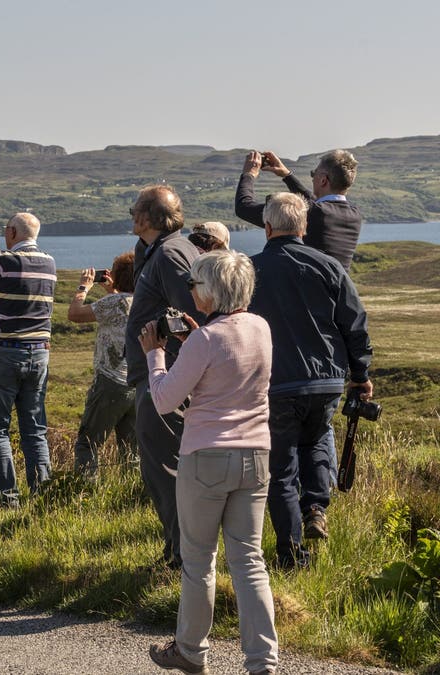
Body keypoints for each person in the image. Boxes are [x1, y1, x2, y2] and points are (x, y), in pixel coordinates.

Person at [140, 249, 278, 675]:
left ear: (212, 291)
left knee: (199, 560)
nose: (191, 291)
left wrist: (155, 354)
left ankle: (191, 650)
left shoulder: (205, 339)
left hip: (206, 456)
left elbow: (165, 400)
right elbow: (229, 361)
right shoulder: (260, 327)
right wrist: (194, 342)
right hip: (255, 454)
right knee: (248, 559)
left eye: (195, 284)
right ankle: (262, 660)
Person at [249, 192, 374, 570]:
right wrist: (360, 375)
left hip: (277, 382)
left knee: (281, 471)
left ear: (267, 227)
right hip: (326, 382)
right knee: (318, 438)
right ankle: (317, 506)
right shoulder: (330, 267)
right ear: (303, 227)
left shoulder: (250, 269)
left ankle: (291, 555)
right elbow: (354, 324)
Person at [124, 185, 205, 570]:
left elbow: (194, 314)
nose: (130, 213)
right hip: (161, 370)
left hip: (164, 374)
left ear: (150, 217)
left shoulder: (171, 254)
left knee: (164, 467)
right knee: (163, 465)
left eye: (136, 208)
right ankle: (179, 550)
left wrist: (164, 345)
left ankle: (182, 556)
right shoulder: (162, 250)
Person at [0, 213, 56, 507]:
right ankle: (43, 495)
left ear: (10, 232)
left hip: (6, 351)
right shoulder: (49, 262)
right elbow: (16, 269)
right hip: (40, 353)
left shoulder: (1, 263)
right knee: (34, 429)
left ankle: (7, 498)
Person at [67, 251, 137, 478]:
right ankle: (132, 493)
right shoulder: (143, 301)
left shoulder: (113, 302)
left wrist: (83, 288)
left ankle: (85, 492)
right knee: (131, 448)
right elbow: (122, 309)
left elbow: (75, 315)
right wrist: (113, 290)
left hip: (111, 380)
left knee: (88, 443)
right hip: (137, 381)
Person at [235, 149, 362, 270]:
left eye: (314, 174)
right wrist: (286, 175)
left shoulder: (313, 213)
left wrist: (249, 174)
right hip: (335, 290)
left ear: (323, 180)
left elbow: (244, 207)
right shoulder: (354, 215)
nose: (312, 178)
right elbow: (313, 202)